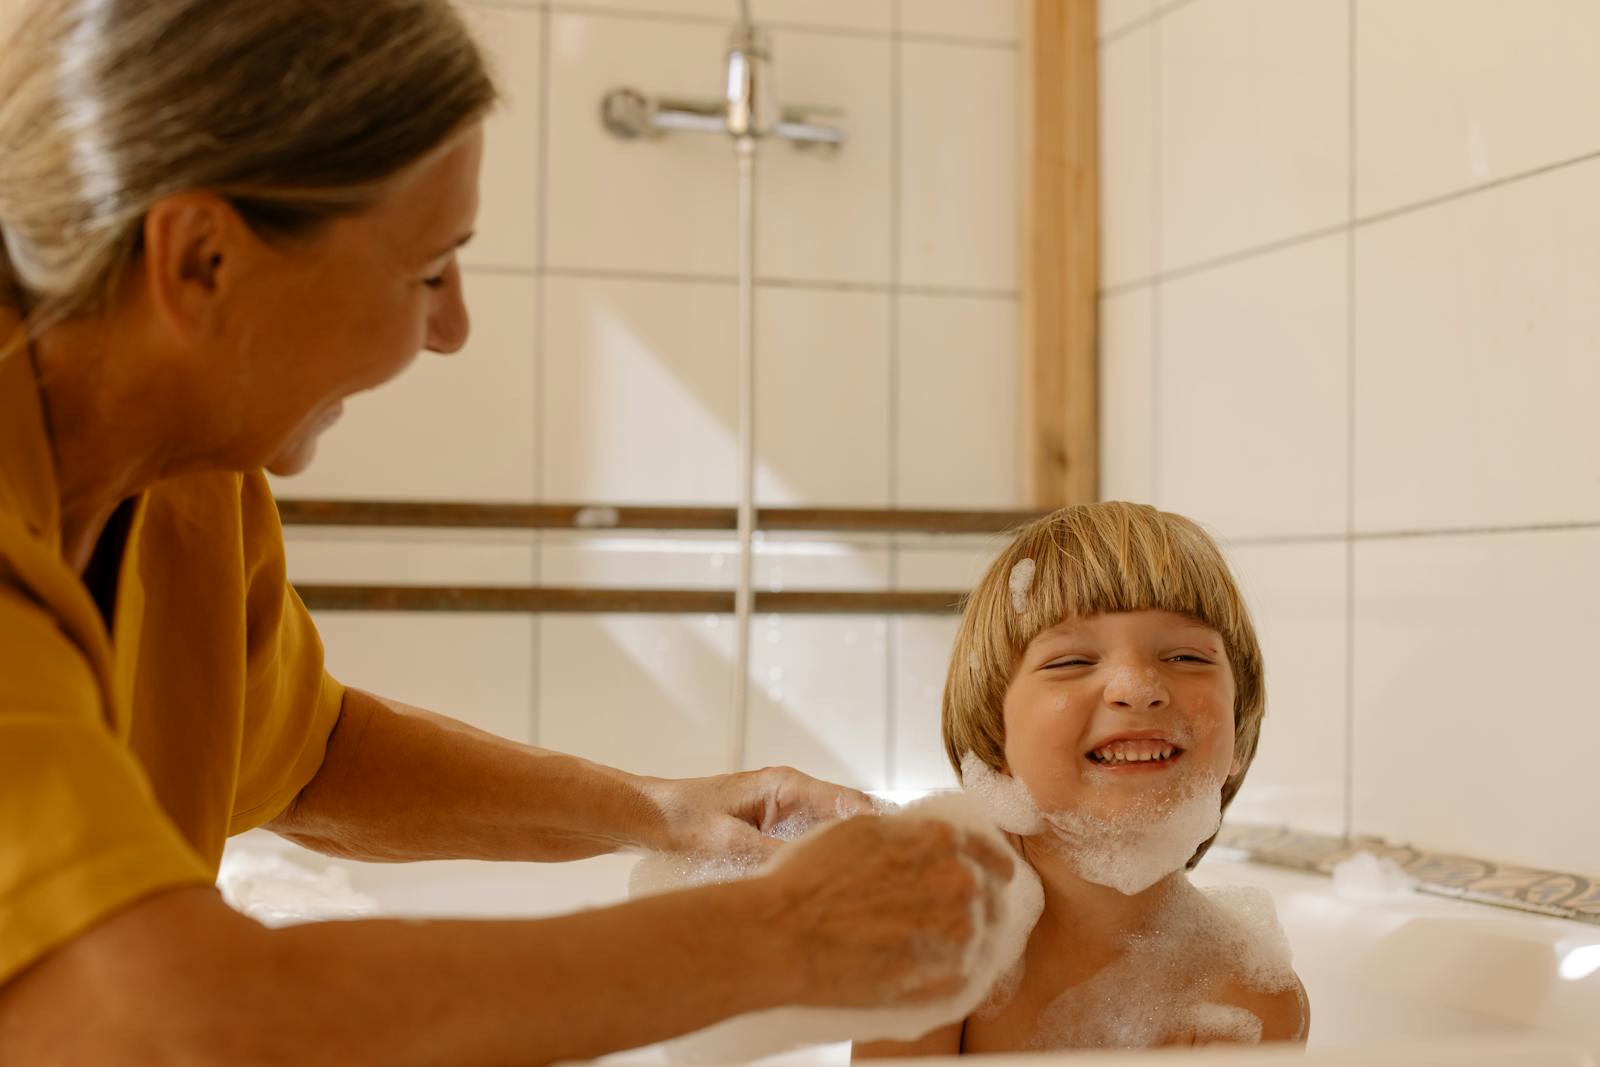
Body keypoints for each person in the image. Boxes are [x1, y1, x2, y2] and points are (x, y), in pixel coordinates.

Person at [0, 1, 1011, 1062]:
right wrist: (787, 935)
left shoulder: (190, 478)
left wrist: (662, 811)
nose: (452, 328)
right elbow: (171, 1020)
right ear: (202, 258)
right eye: (426, 271)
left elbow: (304, 757)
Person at [855, 502, 1309, 1056]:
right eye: (1070, 662)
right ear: (995, 741)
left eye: (1187, 656)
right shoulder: (938, 935)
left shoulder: (1252, 993)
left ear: (1237, 732)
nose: (1137, 686)